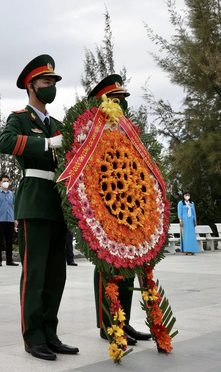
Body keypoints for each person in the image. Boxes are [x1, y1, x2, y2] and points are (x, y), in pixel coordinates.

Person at [0, 55, 78, 360]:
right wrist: (45, 144)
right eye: (46, 82)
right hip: (33, 199)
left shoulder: (57, 124)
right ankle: (33, 337)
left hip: (58, 201)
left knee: (57, 273)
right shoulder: (19, 118)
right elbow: (4, 143)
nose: (51, 87)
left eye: (54, 82)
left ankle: (50, 333)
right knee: (34, 273)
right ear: (31, 86)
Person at [87, 75, 153, 346]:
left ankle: (123, 322)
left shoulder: (127, 130)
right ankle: (108, 324)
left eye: (122, 100)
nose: (119, 105)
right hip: (105, 203)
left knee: (127, 265)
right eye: (114, 101)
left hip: (129, 204)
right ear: (101, 102)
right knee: (107, 264)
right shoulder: (92, 129)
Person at [0, 175, 18, 267]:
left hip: (10, 220)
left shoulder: (11, 194)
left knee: (9, 241)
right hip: (0, 220)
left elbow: (13, 207)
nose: (6, 182)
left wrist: (15, 219)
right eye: (4, 181)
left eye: (7, 181)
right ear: (0, 182)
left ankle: (9, 260)